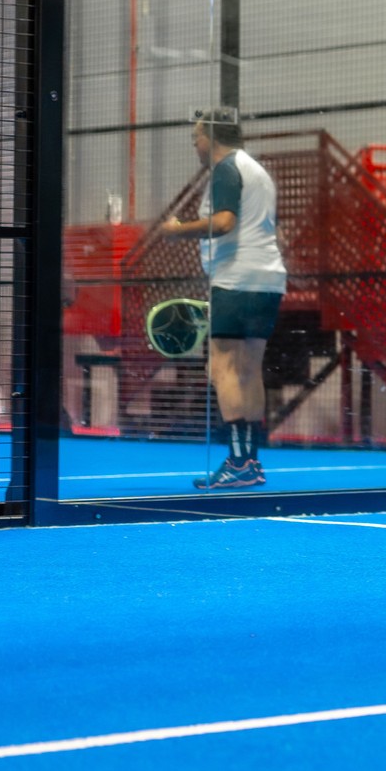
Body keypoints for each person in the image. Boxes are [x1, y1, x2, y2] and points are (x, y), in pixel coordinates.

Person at [160, 115, 288, 490]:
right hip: (268, 279)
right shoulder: (259, 172)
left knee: (224, 369)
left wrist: (176, 231)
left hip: (236, 279)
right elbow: (274, 229)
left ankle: (237, 462)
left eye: (195, 137)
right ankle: (250, 462)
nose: (194, 145)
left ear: (210, 137)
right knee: (250, 370)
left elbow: (225, 222)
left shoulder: (226, 169)